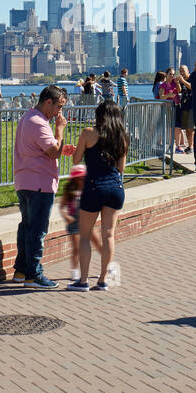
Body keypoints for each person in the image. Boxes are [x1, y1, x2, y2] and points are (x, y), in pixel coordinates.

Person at [67, 100, 129, 291]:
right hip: (115, 187)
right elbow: (121, 167)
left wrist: (78, 150)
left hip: (94, 186)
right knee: (109, 234)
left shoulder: (88, 133)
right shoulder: (122, 137)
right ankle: (102, 280)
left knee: (85, 235)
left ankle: (83, 280)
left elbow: (76, 160)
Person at [12, 85, 68, 288]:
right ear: (48, 102)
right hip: (39, 184)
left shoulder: (28, 118)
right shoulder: (39, 123)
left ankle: (21, 270)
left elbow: (44, 148)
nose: (59, 113)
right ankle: (34, 275)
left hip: (25, 181)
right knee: (37, 230)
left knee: (27, 227)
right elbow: (54, 152)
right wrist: (60, 131)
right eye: (58, 107)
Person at [58, 165, 86, 283]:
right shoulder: (70, 192)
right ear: (76, 179)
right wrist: (66, 216)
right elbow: (62, 207)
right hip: (74, 223)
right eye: (81, 178)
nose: (83, 180)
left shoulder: (88, 190)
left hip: (86, 221)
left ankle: (107, 265)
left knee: (97, 243)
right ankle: (75, 270)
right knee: (76, 248)